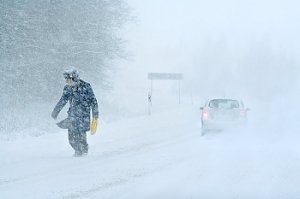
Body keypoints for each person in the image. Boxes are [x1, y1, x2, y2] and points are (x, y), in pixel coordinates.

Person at [51, 68, 99, 157]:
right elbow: (63, 100)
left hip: (83, 115)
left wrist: (95, 115)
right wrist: (55, 111)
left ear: (75, 78)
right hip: (72, 115)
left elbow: (93, 101)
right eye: (66, 80)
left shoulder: (86, 86)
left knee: (81, 136)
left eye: (68, 80)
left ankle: (84, 152)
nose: (67, 82)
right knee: (71, 138)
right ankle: (77, 151)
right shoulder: (67, 88)